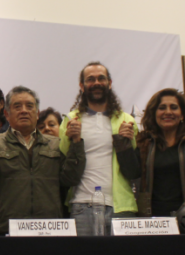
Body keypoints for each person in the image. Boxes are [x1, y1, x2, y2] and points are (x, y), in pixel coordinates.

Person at [0, 86, 85, 235]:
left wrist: (76, 142)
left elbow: (71, 178)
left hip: (50, 230)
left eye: (29, 106)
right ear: (7, 114)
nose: (24, 111)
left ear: (37, 113)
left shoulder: (55, 144)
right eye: (17, 106)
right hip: (6, 229)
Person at [59, 61, 139, 235]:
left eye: (101, 78)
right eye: (90, 79)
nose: (96, 83)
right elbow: (64, 164)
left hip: (121, 207)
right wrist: (73, 139)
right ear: (82, 86)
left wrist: (125, 142)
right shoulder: (70, 120)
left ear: (109, 83)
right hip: (81, 205)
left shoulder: (127, 121)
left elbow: (133, 169)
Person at [122, 88, 185, 217]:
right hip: (152, 216)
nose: (168, 112)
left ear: (182, 114)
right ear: (154, 114)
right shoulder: (144, 142)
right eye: (162, 108)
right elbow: (131, 172)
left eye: (174, 107)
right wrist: (123, 142)